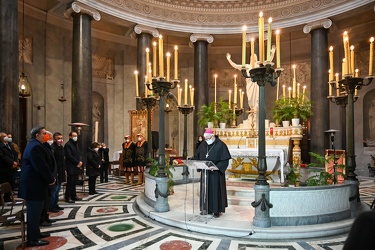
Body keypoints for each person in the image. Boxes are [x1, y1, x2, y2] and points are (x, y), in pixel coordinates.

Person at [18, 126, 55, 247]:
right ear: (37, 135)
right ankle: (33, 239)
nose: (47, 135)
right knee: (34, 213)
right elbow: (41, 166)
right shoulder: (35, 147)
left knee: (37, 212)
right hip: (34, 186)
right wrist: (50, 180)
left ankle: (36, 233)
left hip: (35, 185)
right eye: (44, 133)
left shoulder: (35, 145)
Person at [191, 128, 231, 218]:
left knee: (215, 191)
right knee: (205, 191)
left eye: (208, 138)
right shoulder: (203, 145)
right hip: (205, 172)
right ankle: (205, 208)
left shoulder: (221, 145)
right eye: (206, 139)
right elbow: (197, 155)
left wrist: (217, 167)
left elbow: (225, 160)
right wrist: (192, 161)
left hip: (216, 174)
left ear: (213, 136)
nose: (207, 141)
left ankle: (216, 210)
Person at [39, 131, 57, 226]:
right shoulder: (41, 147)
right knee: (44, 200)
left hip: (50, 176)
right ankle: (42, 219)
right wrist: (50, 178)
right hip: (46, 179)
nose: (50, 140)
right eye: (49, 137)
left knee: (47, 199)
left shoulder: (47, 147)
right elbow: (43, 165)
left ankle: (45, 217)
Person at [64, 131, 83, 203]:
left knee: (74, 182)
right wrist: (77, 162)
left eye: (76, 136)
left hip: (76, 166)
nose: (76, 137)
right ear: (70, 136)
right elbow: (69, 156)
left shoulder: (76, 144)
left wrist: (80, 161)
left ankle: (73, 196)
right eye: (74, 136)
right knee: (70, 183)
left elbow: (79, 154)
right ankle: (67, 197)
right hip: (71, 166)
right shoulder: (68, 145)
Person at [0, 132, 18, 202]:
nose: (6, 137)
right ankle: (1, 198)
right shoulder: (1, 146)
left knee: (10, 182)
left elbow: (15, 153)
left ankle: (7, 197)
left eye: (6, 136)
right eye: (4, 136)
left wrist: (16, 161)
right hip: (4, 168)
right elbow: (2, 156)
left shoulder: (9, 145)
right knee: (3, 183)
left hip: (11, 168)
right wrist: (12, 162)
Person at [50, 132, 65, 212]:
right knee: (54, 189)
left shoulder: (61, 147)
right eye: (58, 138)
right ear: (54, 139)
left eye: (61, 138)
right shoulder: (53, 148)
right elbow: (53, 161)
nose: (60, 140)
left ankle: (55, 204)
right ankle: (51, 205)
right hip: (56, 171)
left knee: (58, 189)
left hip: (61, 170)